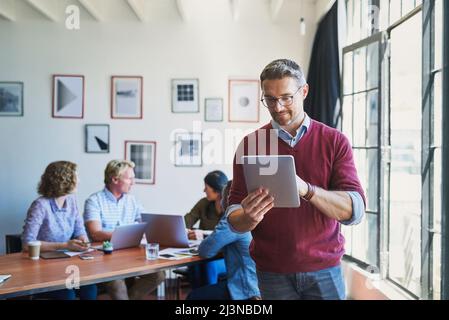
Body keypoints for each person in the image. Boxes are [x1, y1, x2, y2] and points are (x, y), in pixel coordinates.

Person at [227, 59, 366, 300]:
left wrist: (307, 190)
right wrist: (247, 218)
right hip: (272, 272)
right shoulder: (250, 144)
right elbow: (233, 220)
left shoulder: (334, 141)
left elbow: (355, 211)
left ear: (304, 91)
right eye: (269, 99)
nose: (278, 107)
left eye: (286, 97)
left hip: (324, 270)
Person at [84, 160, 164, 300]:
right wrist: (127, 233)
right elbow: (95, 234)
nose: (133, 182)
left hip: (130, 255)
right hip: (105, 258)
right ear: (115, 179)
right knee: (117, 284)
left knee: (158, 275)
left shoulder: (132, 201)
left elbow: (146, 224)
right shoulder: (94, 201)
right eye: (129, 178)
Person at [22, 161, 97, 300]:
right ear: (64, 179)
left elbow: (79, 229)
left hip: (68, 263)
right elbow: (27, 244)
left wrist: (83, 241)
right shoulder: (40, 205)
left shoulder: (72, 200)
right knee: (67, 295)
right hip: (43, 267)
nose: (79, 180)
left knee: (90, 290)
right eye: (76, 176)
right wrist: (65, 245)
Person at [187, 181, 260, 300]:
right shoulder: (256, 216)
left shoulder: (233, 220)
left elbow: (205, 251)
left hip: (244, 290)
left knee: (193, 296)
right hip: (259, 285)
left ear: (228, 199)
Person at [184, 170, 228, 288]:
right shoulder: (204, 203)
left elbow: (223, 235)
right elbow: (186, 221)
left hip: (224, 258)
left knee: (208, 265)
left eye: (206, 187)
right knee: (195, 264)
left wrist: (203, 234)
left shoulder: (231, 209)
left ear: (217, 190)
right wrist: (183, 229)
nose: (204, 190)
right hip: (204, 253)